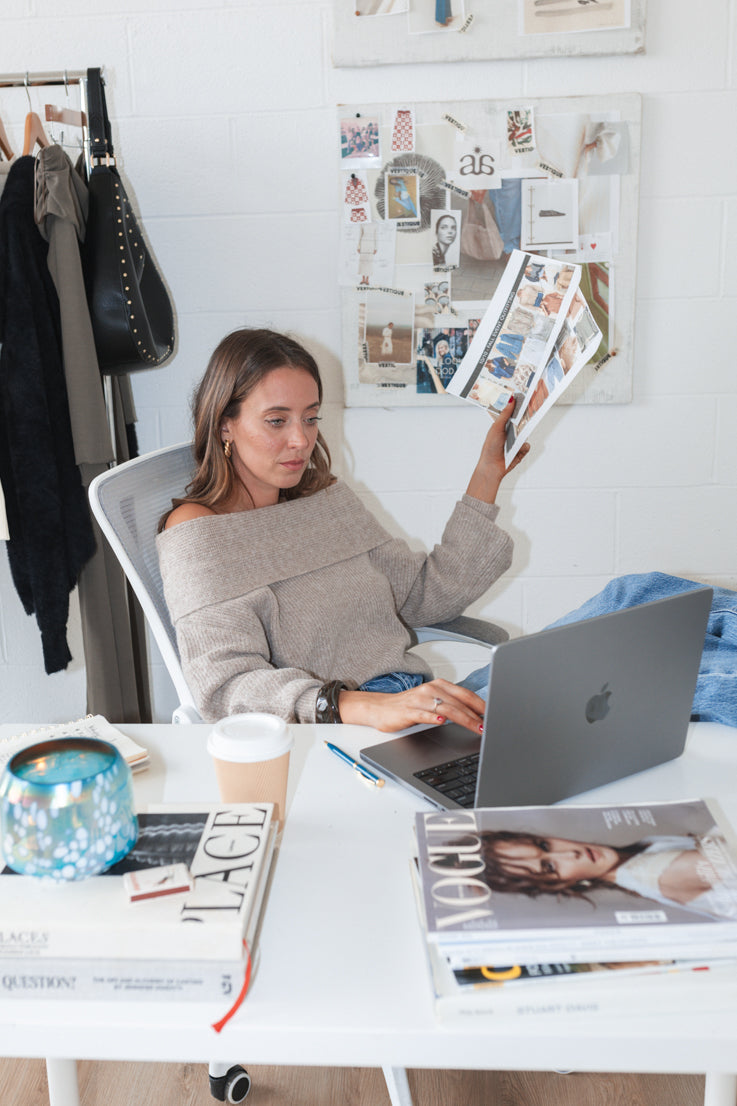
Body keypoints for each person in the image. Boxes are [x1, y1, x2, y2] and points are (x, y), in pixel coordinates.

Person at [157, 328, 529, 731]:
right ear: (225, 424)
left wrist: (487, 474)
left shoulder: (323, 500)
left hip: (414, 702)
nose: (301, 439)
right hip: (342, 730)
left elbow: (426, 596)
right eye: (277, 421)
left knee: (600, 614)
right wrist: (361, 707)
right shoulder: (198, 533)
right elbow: (226, 686)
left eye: (311, 418)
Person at [477, 829, 737, 920]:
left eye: (545, 846)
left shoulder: (638, 859)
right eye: (550, 867)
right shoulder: (651, 872)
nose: (570, 854)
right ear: (560, 886)